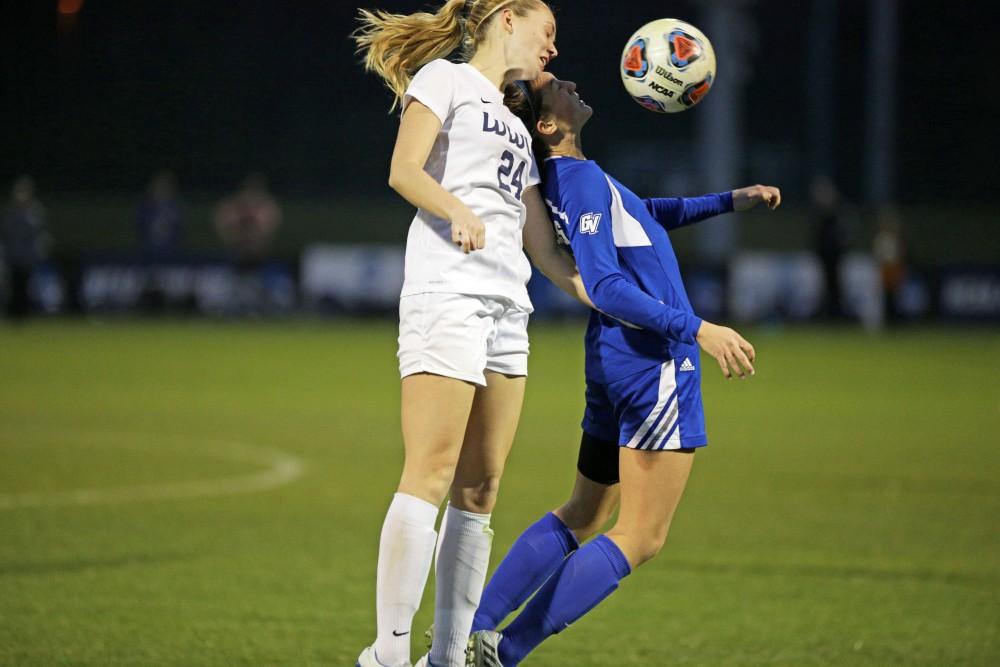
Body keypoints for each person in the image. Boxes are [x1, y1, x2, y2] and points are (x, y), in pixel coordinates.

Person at [464, 73, 782, 666]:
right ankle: (499, 653)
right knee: (640, 535)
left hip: (613, 360)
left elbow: (647, 213)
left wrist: (731, 199)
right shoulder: (579, 181)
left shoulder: (568, 178)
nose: (571, 83)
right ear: (548, 126)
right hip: (652, 360)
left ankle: (471, 628)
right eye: (556, 86)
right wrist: (699, 329)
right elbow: (606, 283)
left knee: (584, 511)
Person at [351, 2, 587, 666]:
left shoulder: (520, 121)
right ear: (507, 19)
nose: (554, 49)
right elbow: (404, 170)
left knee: (480, 489)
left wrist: (600, 293)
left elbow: (542, 246)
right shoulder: (445, 81)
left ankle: (447, 655)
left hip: (509, 308)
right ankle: (389, 652)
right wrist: (454, 208)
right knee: (430, 470)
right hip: (447, 290)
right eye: (549, 33)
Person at [1, 175, 51, 320]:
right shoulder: (11, 213)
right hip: (13, 257)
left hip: (27, 258)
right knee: (13, 286)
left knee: (25, 286)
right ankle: (12, 314)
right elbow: (6, 235)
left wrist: (38, 253)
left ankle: (23, 313)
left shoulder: (34, 212)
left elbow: (40, 236)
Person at [136, 170, 184, 262]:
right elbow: (140, 225)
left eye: (166, 186)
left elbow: (179, 229)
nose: (163, 189)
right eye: (160, 185)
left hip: (171, 251)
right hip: (148, 250)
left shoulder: (176, 206)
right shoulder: (146, 206)